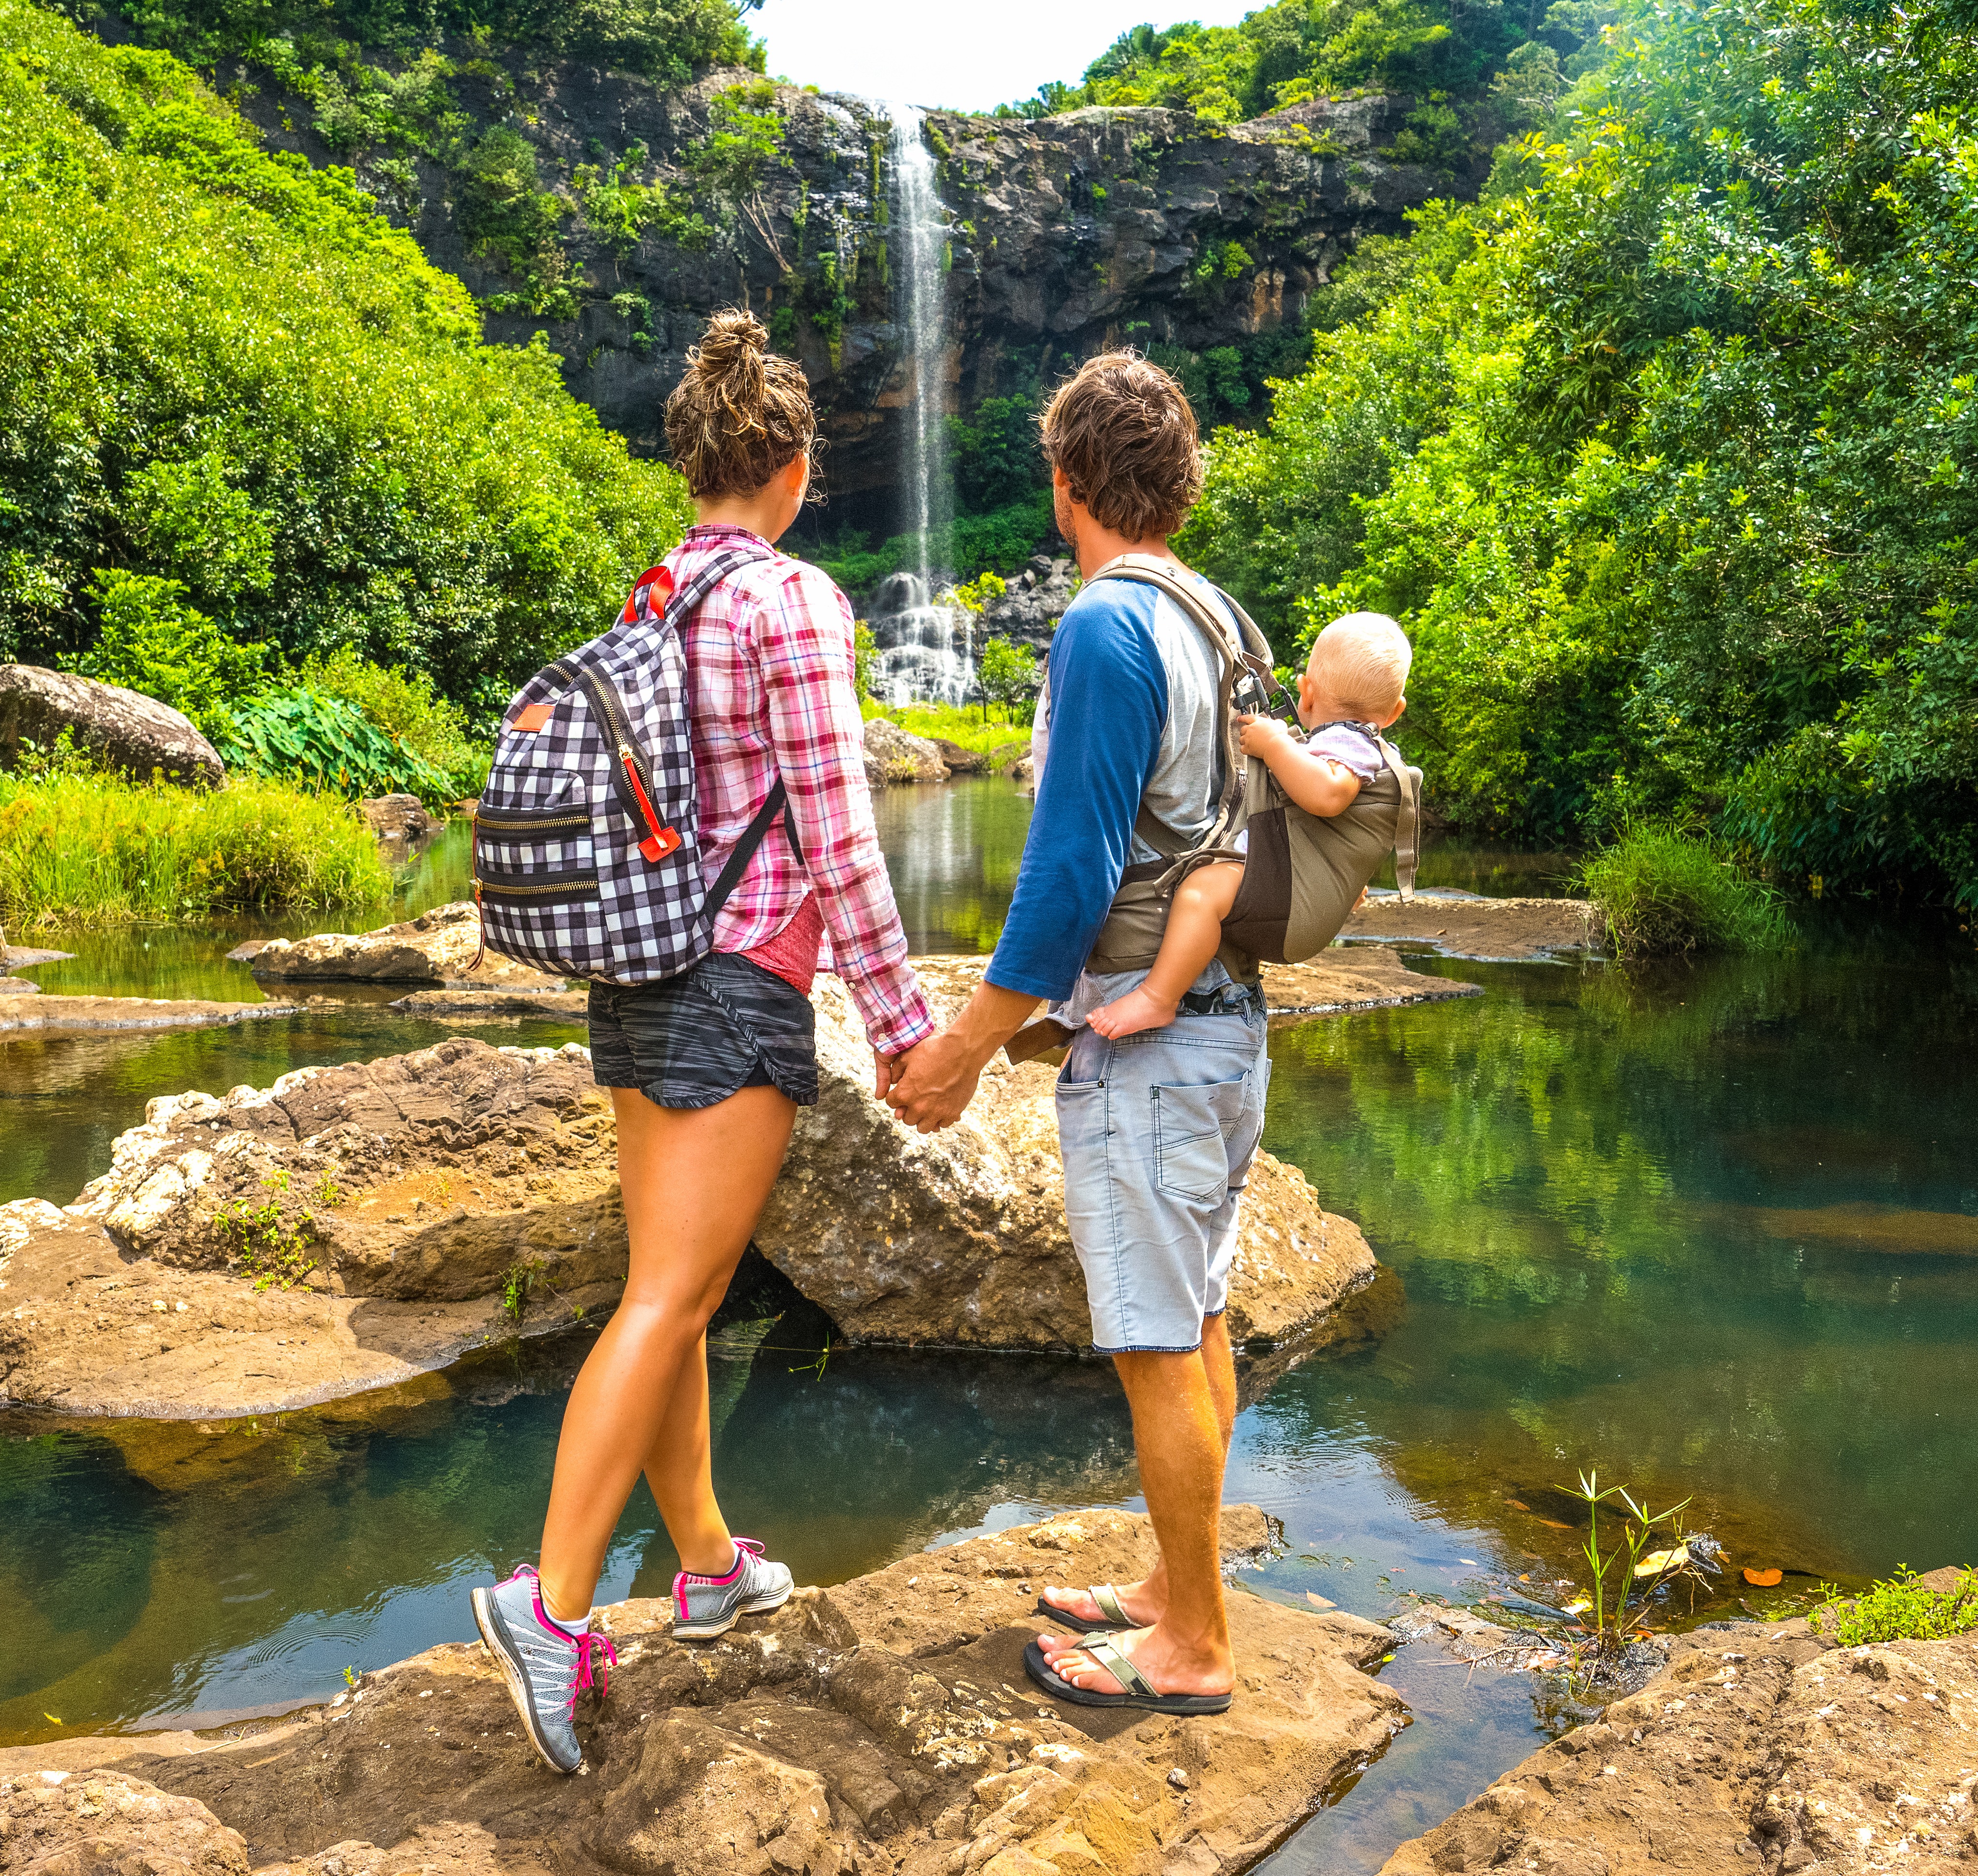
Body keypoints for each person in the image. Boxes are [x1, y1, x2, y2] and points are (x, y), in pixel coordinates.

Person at [471, 310, 933, 1774]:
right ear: (791, 467)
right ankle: (547, 1607)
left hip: (640, 965)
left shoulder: (658, 590)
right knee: (671, 1297)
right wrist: (905, 1024)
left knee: (670, 1290)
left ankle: (709, 1564)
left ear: (690, 464)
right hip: (736, 979)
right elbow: (838, 833)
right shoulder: (791, 601)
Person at [887, 349, 1265, 1716]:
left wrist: (964, 1042)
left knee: (1156, 1339)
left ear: (1063, 483)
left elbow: (1070, 871)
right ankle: (1178, 1588)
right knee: (1202, 1311)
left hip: (1148, 1047)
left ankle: (1195, 1645)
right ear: (1181, 484)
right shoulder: (1220, 617)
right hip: (1228, 1025)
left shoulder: (1108, 624)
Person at [1085, 612, 1412, 1039]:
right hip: (1291, 896)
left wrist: (1276, 743)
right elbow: (1326, 835)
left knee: (1201, 894)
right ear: (1395, 711)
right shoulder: (1355, 745)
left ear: (1305, 693)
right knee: (1209, 893)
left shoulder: (1345, 742)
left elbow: (1328, 797)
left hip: (1290, 908)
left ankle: (1157, 998)